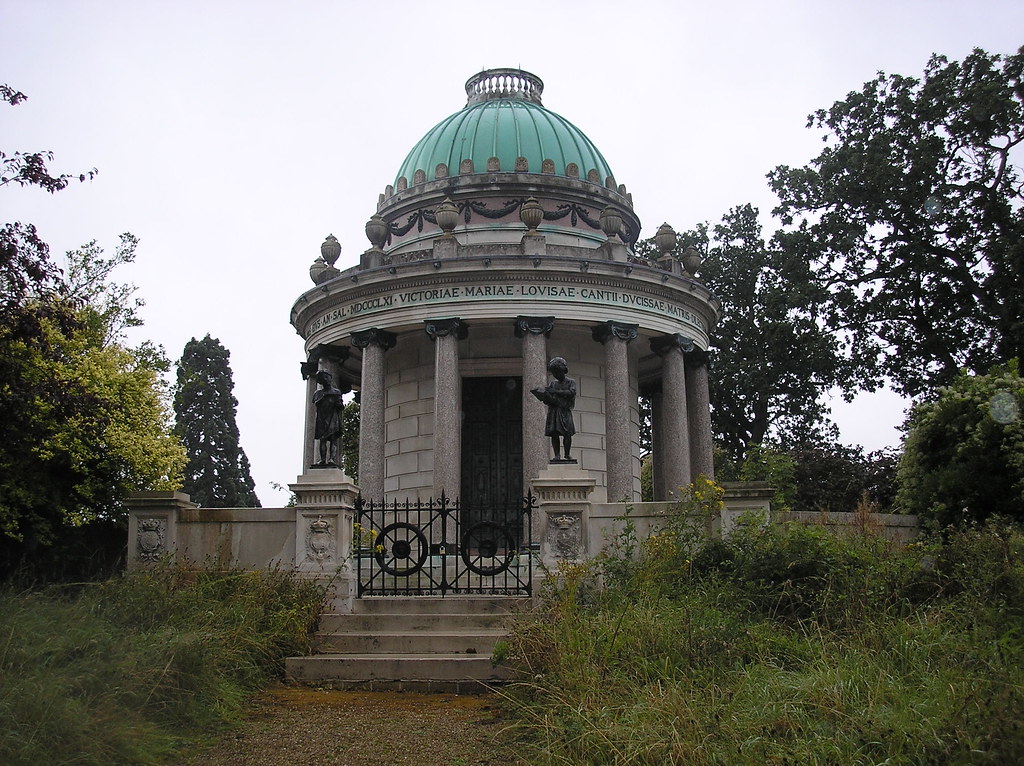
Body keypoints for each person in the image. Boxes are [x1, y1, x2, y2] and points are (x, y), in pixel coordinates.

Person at [531, 357, 577, 462]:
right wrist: (544, 397)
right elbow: (550, 399)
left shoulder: (571, 382)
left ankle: (567, 454)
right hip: (554, 411)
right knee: (554, 433)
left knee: (567, 433)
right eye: (554, 373)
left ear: (563, 370)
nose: (555, 375)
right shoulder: (553, 383)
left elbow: (571, 393)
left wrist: (555, 392)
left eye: (557, 372)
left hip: (564, 410)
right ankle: (557, 455)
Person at [312, 370, 344, 466]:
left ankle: (331, 459)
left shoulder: (336, 392)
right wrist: (324, 396)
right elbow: (316, 403)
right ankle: (322, 459)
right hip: (322, 418)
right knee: (322, 440)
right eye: (323, 378)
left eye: (326, 377)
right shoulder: (317, 393)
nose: (325, 380)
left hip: (333, 418)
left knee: (333, 439)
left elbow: (340, 406)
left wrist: (339, 403)